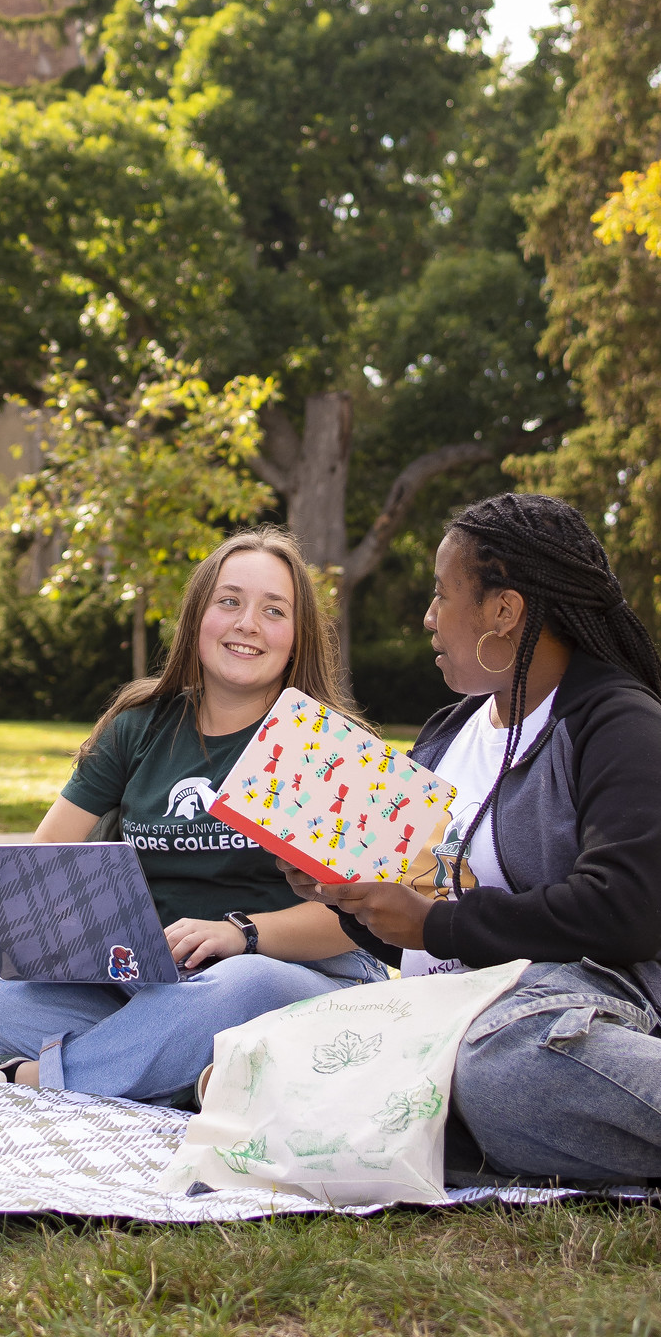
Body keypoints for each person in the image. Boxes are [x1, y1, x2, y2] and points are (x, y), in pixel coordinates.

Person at [0, 527, 386, 1101]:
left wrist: (239, 934)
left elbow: (358, 919)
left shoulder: (325, 748)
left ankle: (22, 1077)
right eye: (229, 601)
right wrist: (95, 937)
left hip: (288, 975)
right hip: (150, 979)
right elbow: (42, 861)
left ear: (298, 638)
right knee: (3, 988)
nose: (248, 623)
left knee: (237, 986)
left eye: (274, 611)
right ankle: (194, 1080)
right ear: (197, 616)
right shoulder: (140, 725)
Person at [280, 491, 661, 1186]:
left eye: (440, 594)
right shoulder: (446, 734)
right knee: (277, 1049)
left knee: (501, 1065)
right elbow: (405, 933)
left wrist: (438, 924)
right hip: (445, 1020)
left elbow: (626, 910)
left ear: (503, 611)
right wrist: (344, 898)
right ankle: (473, 1132)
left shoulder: (617, 722)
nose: (427, 617)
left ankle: (469, 1125)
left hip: (572, 1014)